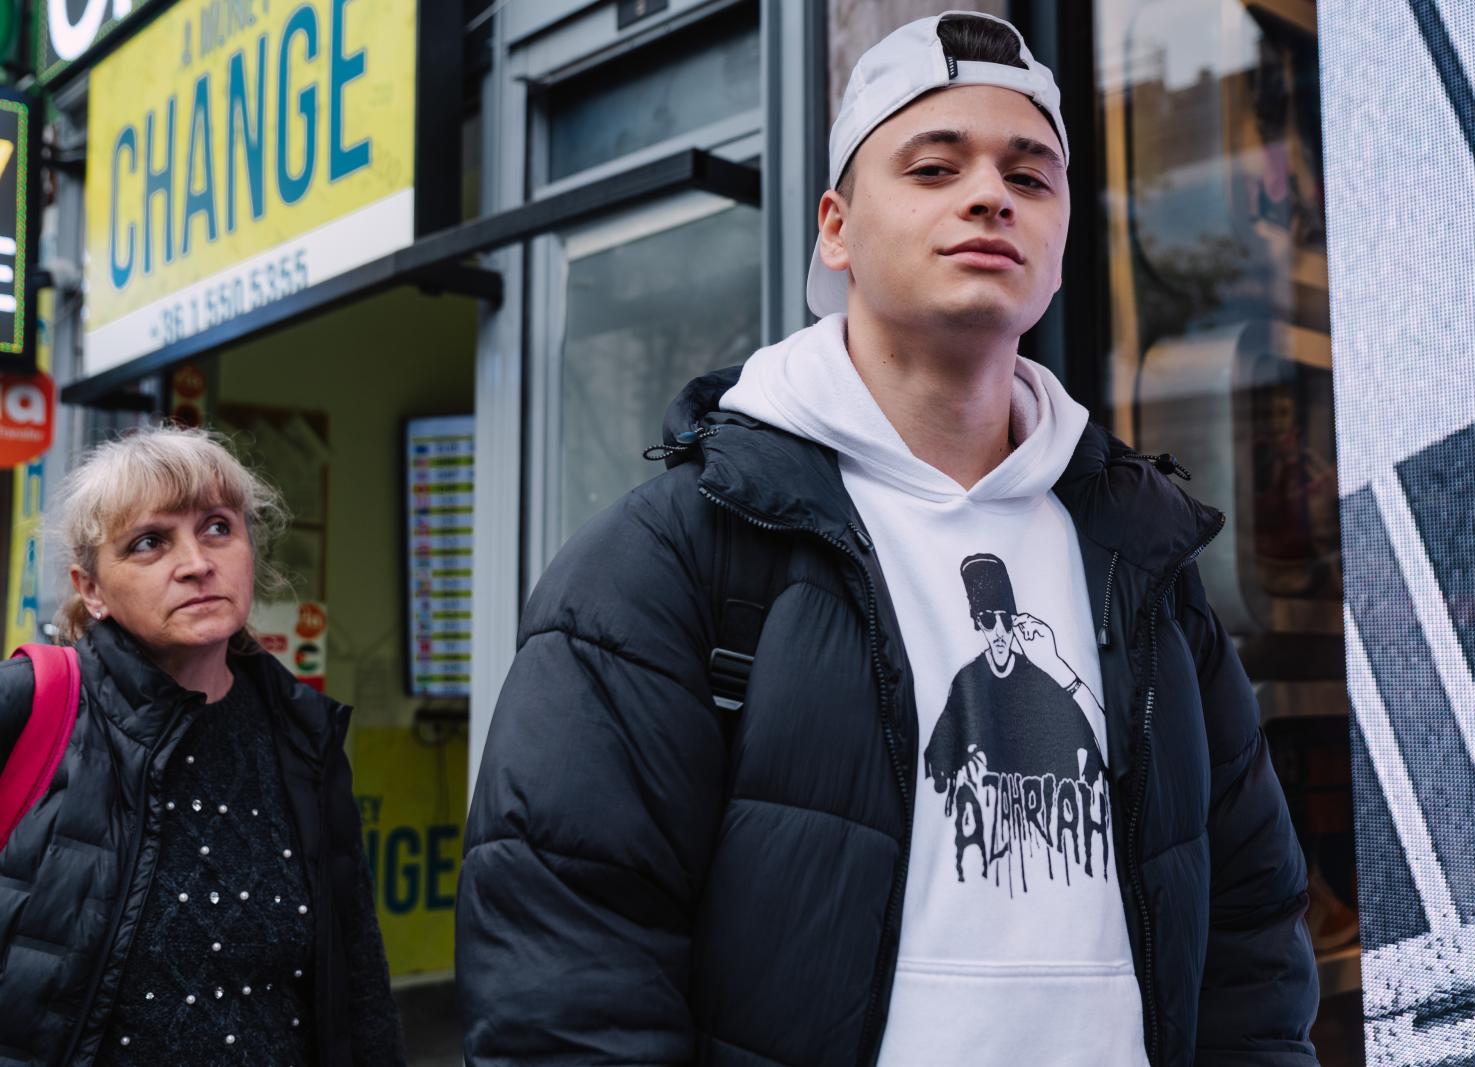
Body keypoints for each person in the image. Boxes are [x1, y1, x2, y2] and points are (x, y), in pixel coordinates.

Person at [459, 11, 1317, 1066]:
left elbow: (1252, 938)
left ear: (1060, 240)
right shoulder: (673, 557)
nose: (990, 195)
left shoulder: (1143, 557)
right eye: (933, 167)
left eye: (1030, 175)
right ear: (836, 228)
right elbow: (567, 974)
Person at [0, 426, 402, 1066]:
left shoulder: (303, 735)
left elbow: (358, 982)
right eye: (149, 542)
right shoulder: (29, 704)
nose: (196, 562)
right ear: (91, 589)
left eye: (217, 527)